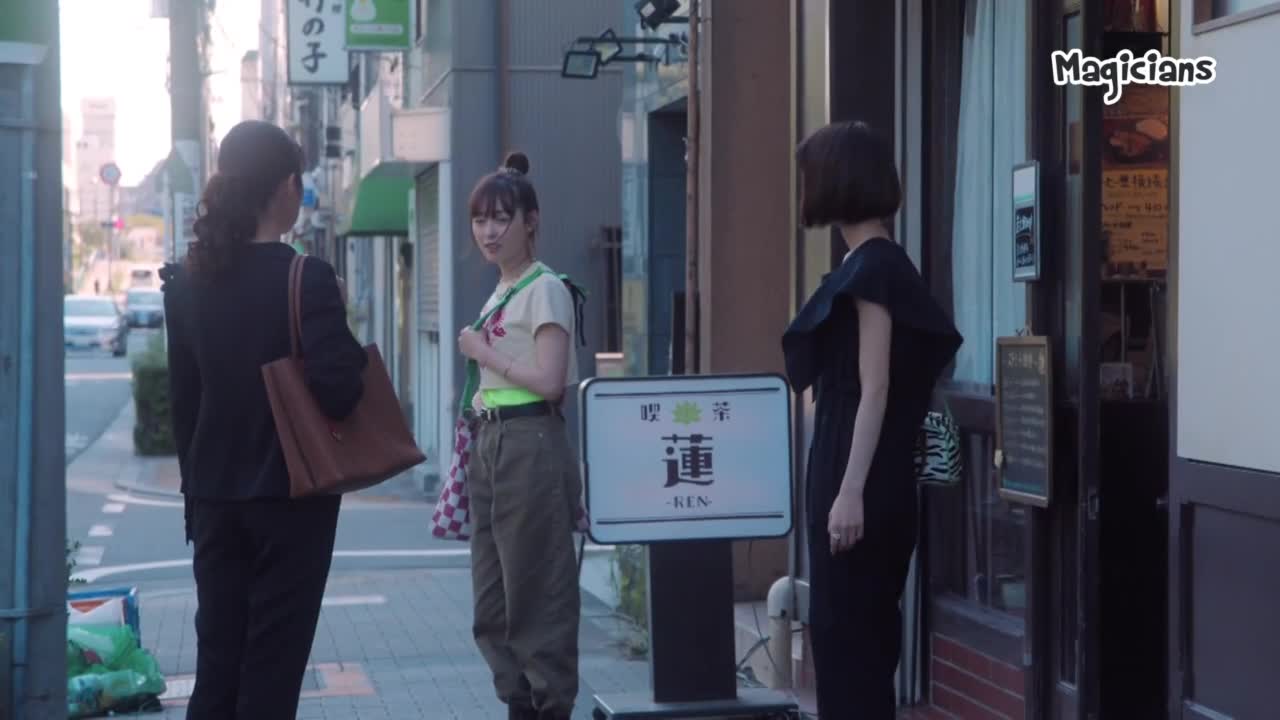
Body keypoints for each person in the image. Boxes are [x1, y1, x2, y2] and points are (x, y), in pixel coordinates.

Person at [159, 120, 368, 719]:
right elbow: (339, 392)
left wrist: (193, 497)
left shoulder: (186, 283)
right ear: (285, 188)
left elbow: (183, 402)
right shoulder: (307, 277)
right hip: (291, 500)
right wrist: (340, 323)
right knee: (270, 673)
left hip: (212, 498)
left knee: (217, 668)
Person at [781, 121, 963, 718]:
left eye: (810, 175)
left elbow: (875, 386)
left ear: (836, 181)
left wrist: (849, 490)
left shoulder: (874, 270)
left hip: (858, 474)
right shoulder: (874, 263)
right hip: (862, 470)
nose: (804, 187)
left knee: (849, 645)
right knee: (854, 643)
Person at [457, 152, 583, 720]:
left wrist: (483, 353)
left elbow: (552, 383)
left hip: (529, 441)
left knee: (535, 595)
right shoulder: (503, 290)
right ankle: (519, 701)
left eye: (501, 218)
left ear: (531, 221)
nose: (489, 231)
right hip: (493, 442)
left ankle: (547, 705)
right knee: (493, 602)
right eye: (480, 219)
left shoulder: (544, 287)